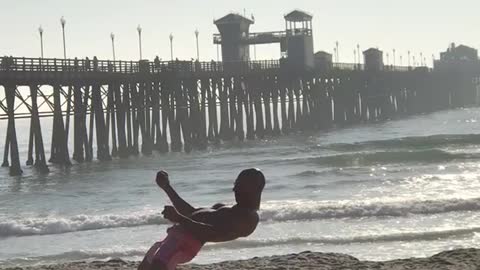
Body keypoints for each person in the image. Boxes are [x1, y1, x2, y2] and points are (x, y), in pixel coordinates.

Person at [138, 168, 265, 270]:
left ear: (255, 189)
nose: (234, 189)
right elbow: (191, 213)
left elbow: (213, 233)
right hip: (173, 240)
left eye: (239, 186)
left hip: (183, 245)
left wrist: (180, 219)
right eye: (236, 185)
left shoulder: (248, 218)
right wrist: (167, 187)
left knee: (157, 265)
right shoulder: (223, 208)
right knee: (145, 266)